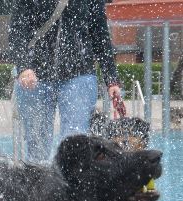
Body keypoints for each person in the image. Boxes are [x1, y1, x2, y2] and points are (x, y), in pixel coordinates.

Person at [9, 0, 121, 162]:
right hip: (35, 75)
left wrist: (111, 79)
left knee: (75, 142)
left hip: (79, 75)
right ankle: (38, 183)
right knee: (37, 146)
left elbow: (100, 35)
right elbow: (17, 31)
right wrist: (24, 67)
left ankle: (70, 183)